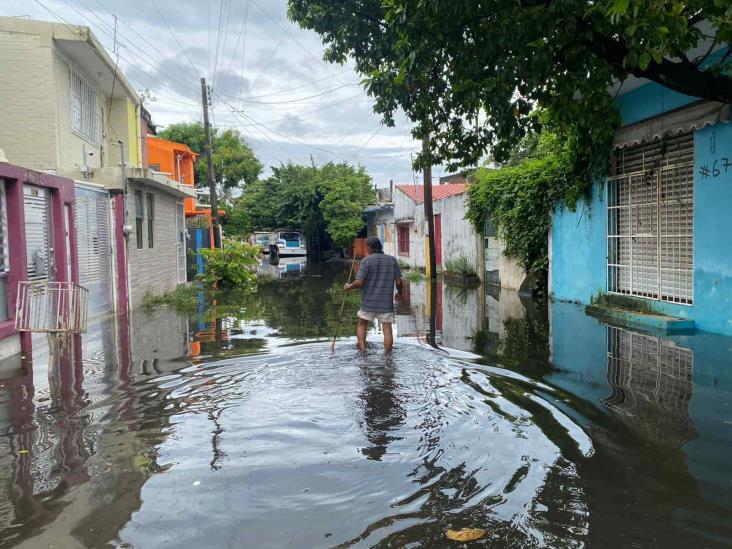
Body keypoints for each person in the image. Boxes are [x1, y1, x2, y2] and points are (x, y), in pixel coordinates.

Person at [344, 236, 403, 352]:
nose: (366, 249)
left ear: (369, 247)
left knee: (362, 324)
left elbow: (359, 282)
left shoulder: (366, 261)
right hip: (385, 304)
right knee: (387, 329)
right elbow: (399, 282)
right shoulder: (392, 260)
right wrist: (400, 292)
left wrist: (349, 286)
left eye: (366, 246)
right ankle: (388, 356)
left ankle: (362, 350)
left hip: (368, 302)